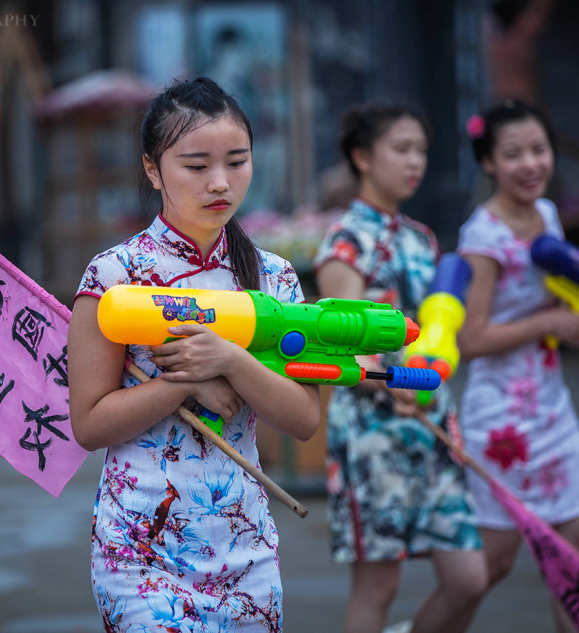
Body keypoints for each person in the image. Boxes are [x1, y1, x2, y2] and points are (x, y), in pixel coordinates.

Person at [67, 77, 320, 630]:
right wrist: (184, 381)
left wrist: (231, 361)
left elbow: (303, 420)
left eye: (237, 161)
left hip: (246, 548)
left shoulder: (272, 278)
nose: (221, 182)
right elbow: (89, 424)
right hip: (141, 551)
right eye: (196, 165)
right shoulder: (116, 278)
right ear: (153, 169)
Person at [455, 100, 579, 633]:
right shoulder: (482, 236)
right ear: (490, 163)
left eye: (539, 150)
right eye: (514, 153)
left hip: (552, 408)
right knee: (494, 562)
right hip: (499, 417)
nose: (531, 164)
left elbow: (567, 316)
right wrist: (546, 327)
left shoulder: (546, 215)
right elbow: (471, 339)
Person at [313, 101, 488, 633]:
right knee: (378, 587)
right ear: (363, 157)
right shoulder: (346, 242)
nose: (416, 162)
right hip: (374, 432)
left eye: (422, 151)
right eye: (401, 148)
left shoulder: (421, 238)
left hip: (432, 425)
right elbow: (340, 344)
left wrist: (427, 386)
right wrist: (394, 386)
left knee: (468, 579)